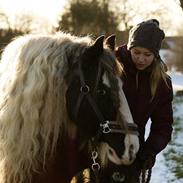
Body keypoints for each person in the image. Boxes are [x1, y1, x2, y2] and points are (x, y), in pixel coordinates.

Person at [115, 19, 174, 182]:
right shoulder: (111, 67)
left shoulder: (162, 83)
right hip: (104, 146)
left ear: (155, 54)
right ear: (129, 48)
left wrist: (150, 150)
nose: (141, 59)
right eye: (136, 52)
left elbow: (163, 124)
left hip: (135, 151)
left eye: (147, 55)